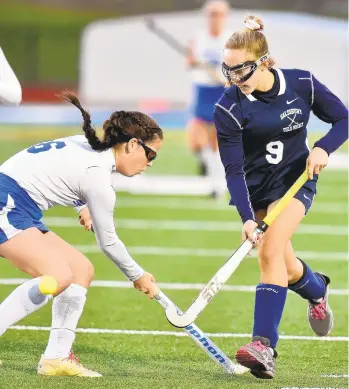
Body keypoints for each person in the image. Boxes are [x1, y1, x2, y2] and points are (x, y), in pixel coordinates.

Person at [214, 15, 348, 379]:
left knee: (270, 250)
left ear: (265, 62)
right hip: (255, 189)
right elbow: (232, 171)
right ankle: (317, 289)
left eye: (240, 71)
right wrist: (245, 216)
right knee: (285, 265)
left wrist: (323, 148)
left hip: (294, 180)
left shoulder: (301, 83)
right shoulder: (228, 107)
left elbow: (343, 119)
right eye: (227, 71)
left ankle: (263, 345)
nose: (234, 80)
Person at [0, 91, 162, 377]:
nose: (150, 163)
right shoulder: (98, 177)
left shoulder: (88, 147)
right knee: (58, 276)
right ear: (133, 144)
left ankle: (56, 358)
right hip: (7, 203)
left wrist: (83, 204)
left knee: (79, 270)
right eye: (150, 154)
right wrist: (137, 275)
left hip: (19, 206)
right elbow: (108, 242)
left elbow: (61, 171)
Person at [186, 0, 230, 197]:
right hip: (203, 90)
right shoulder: (198, 38)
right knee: (195, 140)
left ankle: (217, 185)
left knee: (216, 141)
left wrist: (227, 76)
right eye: (211, 14)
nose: (215, 18)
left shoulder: (231, 40)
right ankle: (205, 162)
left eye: (219, 14)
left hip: (221, 91)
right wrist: (195, 62)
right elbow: (189, 62)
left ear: (225, 16)